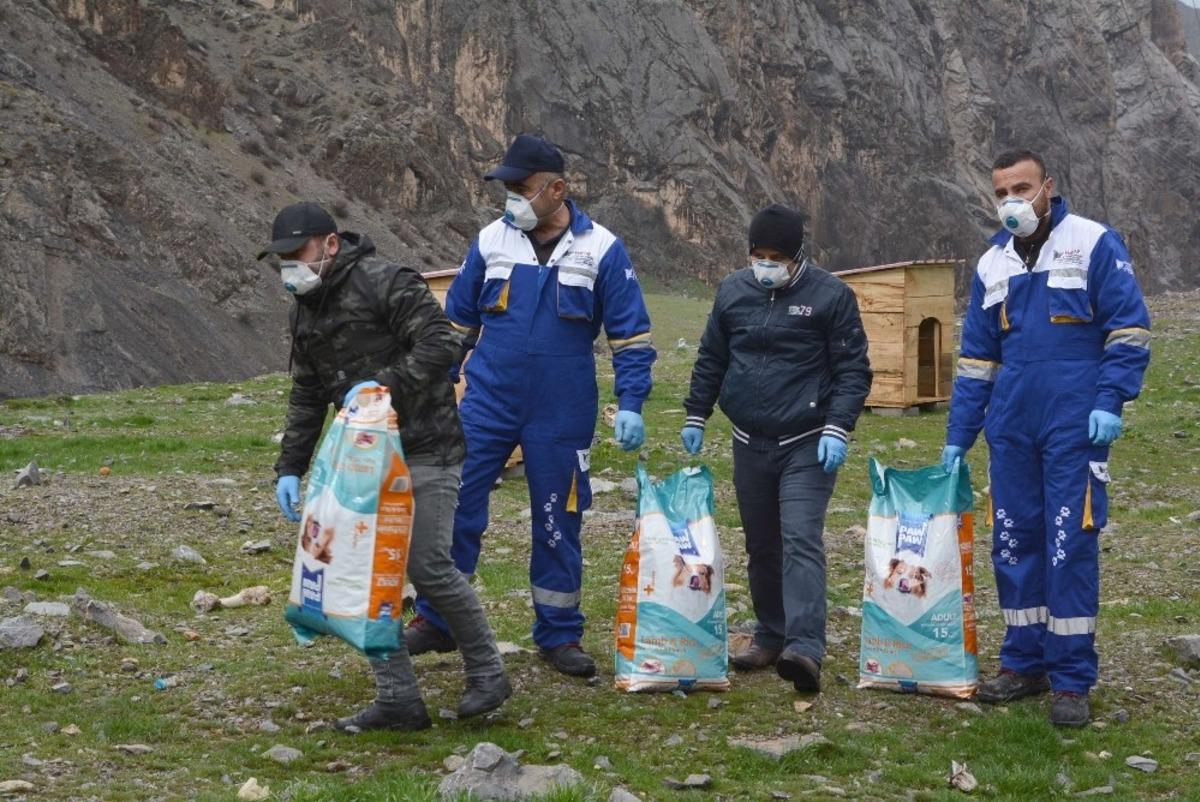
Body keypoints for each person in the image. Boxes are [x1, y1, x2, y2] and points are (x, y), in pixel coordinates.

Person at [406, 134, 656, 678]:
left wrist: (631, 400)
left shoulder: (603, 250)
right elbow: (456, 327)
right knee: (455, 508)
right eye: (506, 190)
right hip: (488, 403)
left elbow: (631, 337)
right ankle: (436, 618)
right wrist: (433, 390)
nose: (510, 200)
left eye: (520, 189)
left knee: (556, 520)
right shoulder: (492, 241)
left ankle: (559, 634)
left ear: (557, 189)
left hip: (561, 412)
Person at [260, 201, 510, 731]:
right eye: (281, 259)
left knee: (428, 565)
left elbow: (442, 344)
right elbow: (307, 391)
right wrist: (290, 465)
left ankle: (489, 673)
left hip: (425, 445)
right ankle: (398, 698)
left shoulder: (384, 282)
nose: (290, 268)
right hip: (361, 460)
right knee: (365, 574)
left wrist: (383, 385)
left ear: (330, 244)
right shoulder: (303, 307)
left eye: (297, 254)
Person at [941, 150, 1151, 727]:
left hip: (1073, 427)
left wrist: (1110, 401)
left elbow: (1129, 329)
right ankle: (1023, 663)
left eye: (1023, 187)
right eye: (1003, 191)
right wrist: (959, 436)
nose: (1014, 200)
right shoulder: (992, 263)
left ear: (1049, 187)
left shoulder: (1093, 243)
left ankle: (1071, 679)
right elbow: (978, 359)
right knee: (1012, 542)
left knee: (1069, 546)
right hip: (1011, 430)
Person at [680, 204, 872, 693]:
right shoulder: (733, 291)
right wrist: (696, 413)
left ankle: (805, 648)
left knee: (800, 538)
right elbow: (712, 356)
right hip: (749, 441)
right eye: (757, 255)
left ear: (797, 256)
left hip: (806, 441)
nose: (766, 264)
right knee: (761, 543)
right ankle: (770, 633)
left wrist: (838, 427)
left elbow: (853, 370)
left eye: (776, 257)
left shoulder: (831, 297)